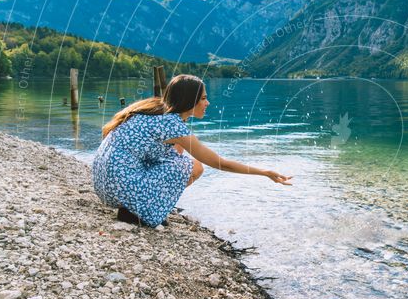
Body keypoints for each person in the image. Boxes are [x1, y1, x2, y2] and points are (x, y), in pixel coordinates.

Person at [92, 74, 292, 227]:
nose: (208, 103)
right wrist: (264, 173)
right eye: (204, 98)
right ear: (190, 100)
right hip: (120, 187)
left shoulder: (154, 111)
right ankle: (138, 211)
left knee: (178, 154)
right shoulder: (172, 124)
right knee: (194, 166)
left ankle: (140, 206)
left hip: (104, 187)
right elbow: (219, 163)